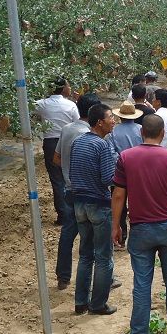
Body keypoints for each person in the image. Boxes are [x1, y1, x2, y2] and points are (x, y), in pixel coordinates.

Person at [113, 114, 167, 334]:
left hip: (140, 228)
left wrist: (116, 226)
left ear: (141, 133)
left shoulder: (126, 158)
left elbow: (119, 194)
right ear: (163, 134)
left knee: (141, 282)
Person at [69, 103, 118, 315]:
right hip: (98, 204)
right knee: (103, 257)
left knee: (85, 255)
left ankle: (80, 301)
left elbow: (72, 173)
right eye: (110, 117)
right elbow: (108, 178)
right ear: (100, 122)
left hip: (79, 203)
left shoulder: (78, 143)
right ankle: (98, 304)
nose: (113, 120)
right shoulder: (102, 146)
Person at [53, 92, 100, 289]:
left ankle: (63, 276)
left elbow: (56, 159)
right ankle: (101, 277)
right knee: (95, 236)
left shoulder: (66, 129)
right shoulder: (90, 136)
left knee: (68, 233)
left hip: (69, 189)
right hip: (88, 192)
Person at [35, 76, 79, 225]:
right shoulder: (71, 105)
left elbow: (29, 110)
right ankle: (75, 212)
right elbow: (77, 123)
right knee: (71, 175)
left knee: (57, 179)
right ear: (63, 88)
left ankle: (63, 215)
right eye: (68, 85)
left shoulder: (41, 104)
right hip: (69, 141)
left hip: (51, 143)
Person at [106, 101, 144, 249]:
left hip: (119, 174)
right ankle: (139, 237)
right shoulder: (141, 129)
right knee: (139, 204)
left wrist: (123, 162)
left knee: (118, 206)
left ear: (120, 116)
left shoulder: (113, 133)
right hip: (139, 174)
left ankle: (121, 237)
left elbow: (111, 153)